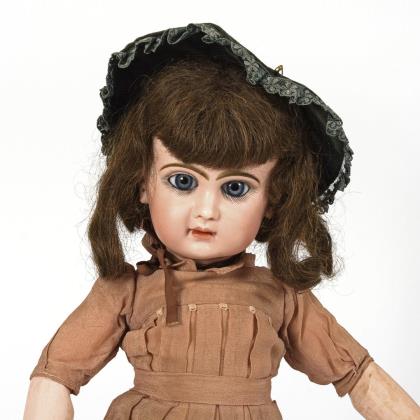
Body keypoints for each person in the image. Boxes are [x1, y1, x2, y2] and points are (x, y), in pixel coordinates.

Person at [23, 23, 420, 419]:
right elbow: (54, 376)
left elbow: (358, 375)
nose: (207, 210)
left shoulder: (282, 297)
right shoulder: (125, 291)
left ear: (272, 199)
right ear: (143, 183)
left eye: (235, 188)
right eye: (182, 181)